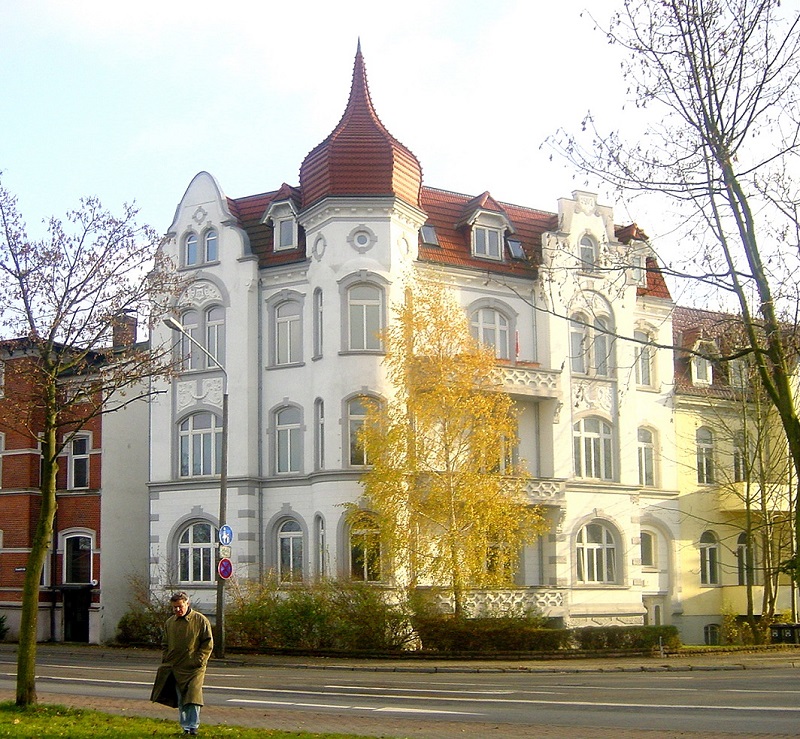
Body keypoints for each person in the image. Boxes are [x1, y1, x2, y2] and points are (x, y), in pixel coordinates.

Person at [150, 591, 214, 736]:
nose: (177, 610)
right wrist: (167, 658)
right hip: (175, 666)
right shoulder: (170, 623)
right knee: (180, 698)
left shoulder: (200, 620)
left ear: (187, 604)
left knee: (193, 696)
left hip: (194, 668)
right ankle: (185, 727)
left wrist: (199, 660)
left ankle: (193, 726)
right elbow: (165, 643)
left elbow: (208, 643)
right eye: (174, 608)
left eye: (180, 606)